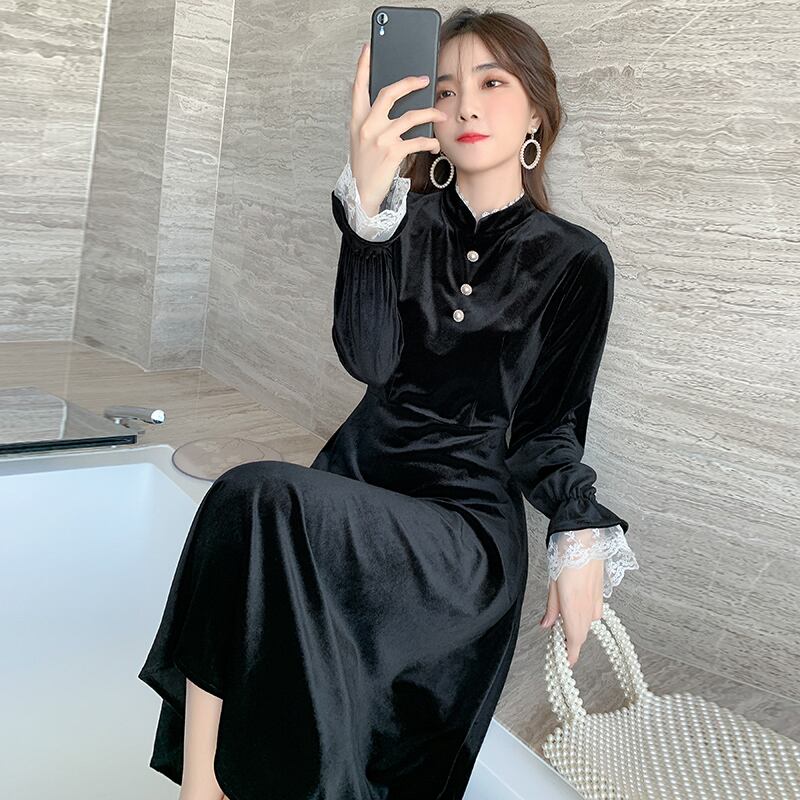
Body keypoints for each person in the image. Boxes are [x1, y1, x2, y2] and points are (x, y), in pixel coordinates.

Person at [138, 8, 639, 800]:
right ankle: (203, 783)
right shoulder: (397, 223)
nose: (466, 106)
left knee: (252, 494)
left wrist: (577, 534)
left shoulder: (575, 260)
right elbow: (367, 360)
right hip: (359, 483)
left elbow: (547, 431)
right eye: (444, 89)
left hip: (462, 530)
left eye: (492, 84)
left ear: (536, 113)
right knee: (250, 508)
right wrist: (369, 209)